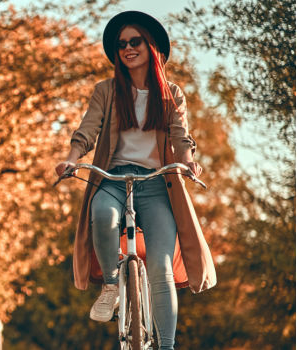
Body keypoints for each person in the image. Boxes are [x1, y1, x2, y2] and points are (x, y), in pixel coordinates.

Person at [54, 11, 216, 349]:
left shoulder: (171, 94)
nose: (127, 48)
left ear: (150, 46)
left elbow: (180, 135)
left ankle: (167, 345)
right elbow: (87, 130)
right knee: (102, 215)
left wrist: (187, 162)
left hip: (158, 184)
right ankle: (112, 285)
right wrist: (71, 161)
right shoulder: (107, 91)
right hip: (113, 178)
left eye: (134, 41)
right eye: (121, 44)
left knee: (160, 268)